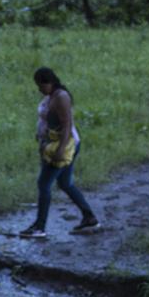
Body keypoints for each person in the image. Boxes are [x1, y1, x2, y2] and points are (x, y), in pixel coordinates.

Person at [22, 67, 100, 237]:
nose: (39, 89)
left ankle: (39, 227)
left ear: (48, 82)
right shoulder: (51, 96)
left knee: (44, 184)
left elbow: (67, 126)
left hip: (62, 147)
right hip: (51, 145)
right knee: (65, 183)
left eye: (40, 85)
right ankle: (89, 217)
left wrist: (61, 149)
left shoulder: (62, 97)